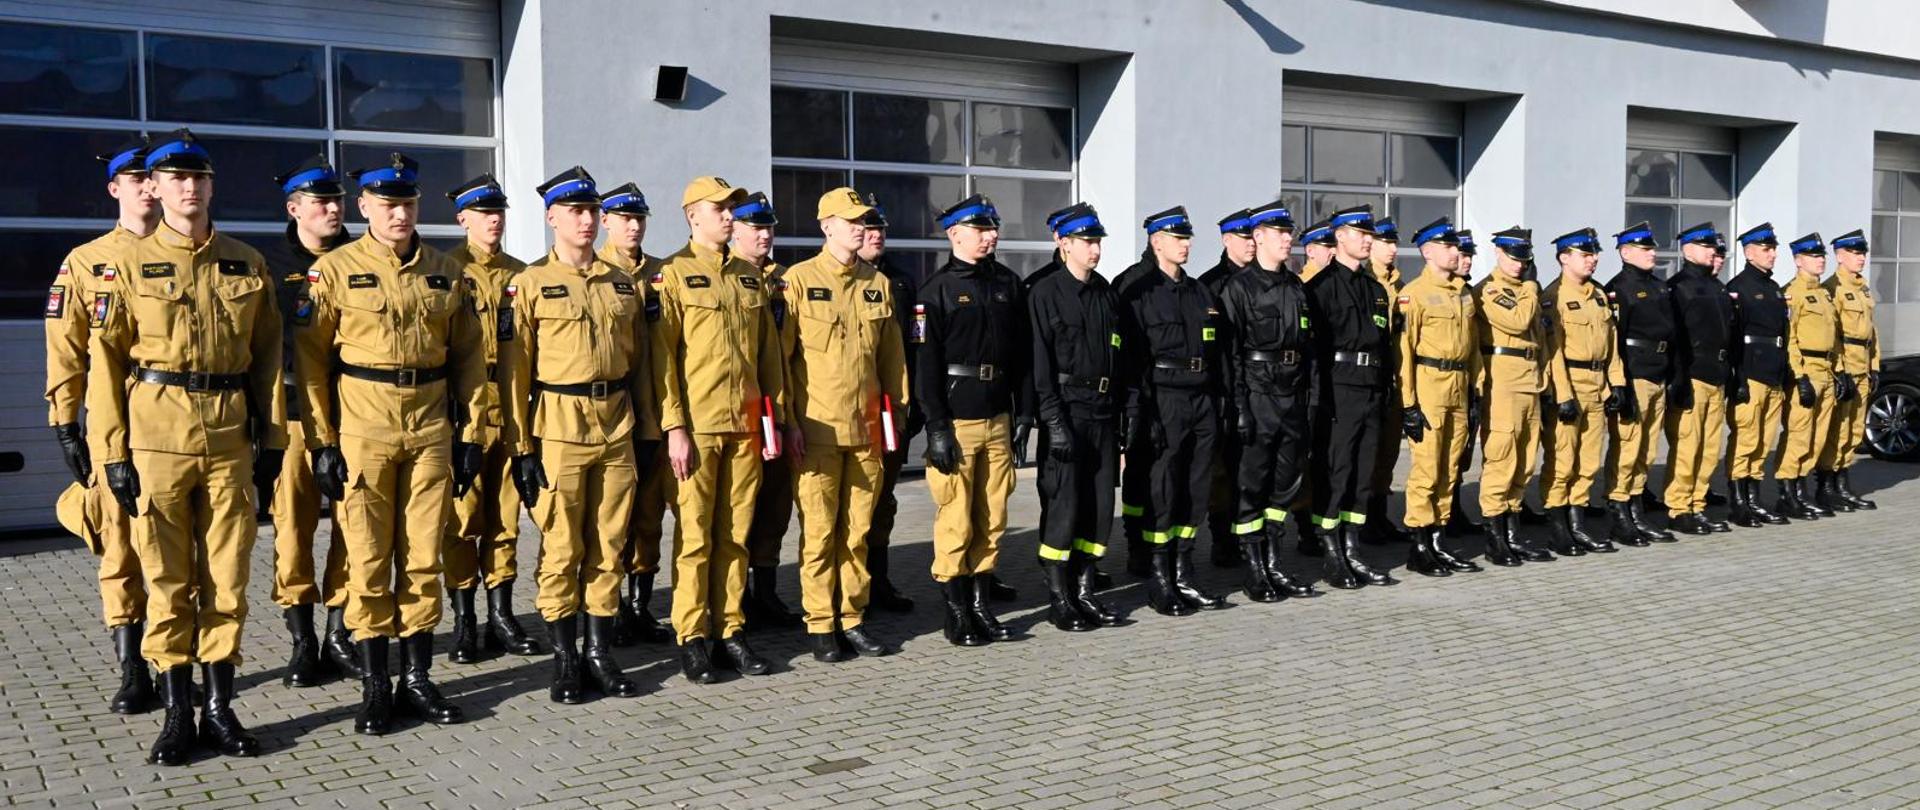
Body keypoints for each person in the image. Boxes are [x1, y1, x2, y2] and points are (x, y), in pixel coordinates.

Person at [89, 129, 284, 764]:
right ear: (155, 187)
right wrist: (112, 452)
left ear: (210, 185)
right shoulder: (125, 265)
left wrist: (274, 438)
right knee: (167, 579)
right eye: (176, 179)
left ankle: (221, 710)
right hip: (157, 438)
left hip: (228, 437)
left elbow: (267, 360)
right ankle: (177, 714)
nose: (189, 188)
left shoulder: (246, 263)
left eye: (199, 178)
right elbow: (105, 364)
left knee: (227, 577)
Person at [296, 152, 485, 734]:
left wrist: (471, 432)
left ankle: (419, 679)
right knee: (370, 557)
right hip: (364, 426)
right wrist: (323, 440)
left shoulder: (445, 272)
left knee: (424, 554)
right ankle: (377, 685)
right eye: (386, 204)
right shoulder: (334, 270)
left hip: (430, 426)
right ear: (364, 207)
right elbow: (311, 361)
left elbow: (470, 359)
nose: (398, 213)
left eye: (406, 203)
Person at [497, 166, 650, 703]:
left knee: (609, 545)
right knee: (562, 547)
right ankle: (565, 659)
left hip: (617, 422)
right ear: (552, 218)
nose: (586, 221)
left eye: (591, 212)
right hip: (558, 426)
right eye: (575, 212)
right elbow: (514, 374)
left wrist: (649, 431)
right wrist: (521, 448)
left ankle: (598, 653)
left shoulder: (621, 282)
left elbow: (643, 365)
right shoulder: (531, 285)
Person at [652, 176, 786, 682]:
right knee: (695, 538)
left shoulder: (750, 278)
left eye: (733, 209)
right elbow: (662, 360)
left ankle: (731, 629)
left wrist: (775, 418)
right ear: (693, 216)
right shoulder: (674, 276)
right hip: (699, 429)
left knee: (735, 536)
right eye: (720, 209)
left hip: (746, 428)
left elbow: (768, 358)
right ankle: (692, 636)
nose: (730, 217)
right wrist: (674, 427)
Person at [43, 134, 160, 713]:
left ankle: (179, 659)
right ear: (115, 188)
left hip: (180, 427)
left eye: (152, 176)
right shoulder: (87, 261)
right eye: (134, 178)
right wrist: (65, 422)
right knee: (119, 545)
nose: (146, 186)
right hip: (114, 425)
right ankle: (132, 665)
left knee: (176, 547)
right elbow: (65, 348)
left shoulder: (190, 253)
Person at [778, 187, 908, 659]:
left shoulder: (877, 282)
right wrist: (787, 421)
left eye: (864, 220)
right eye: (850, 220)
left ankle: (852, 616)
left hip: (867, 429)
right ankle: (820, 623)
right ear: (826, 226)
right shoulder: (797, 281)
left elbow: (892, 360)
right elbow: (782, 360)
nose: (860, 227)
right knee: (819, 532)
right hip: (817, 430)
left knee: (857, 531)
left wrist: (897, 416)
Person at [915, 194, 1031, 645]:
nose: (991, 236)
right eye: (981, 229)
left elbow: (1021, 354)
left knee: (993, 515)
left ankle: (982, 606)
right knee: (957, 518)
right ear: (955, 234)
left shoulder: (1007, 283)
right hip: (958, 421)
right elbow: (925, 366)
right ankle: (957, 612)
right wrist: (936, 427)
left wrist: (1023, 413)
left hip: (998, 414)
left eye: (993, 227)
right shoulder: (935, 291)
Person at [264, 155, 360, 684]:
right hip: (296, 421)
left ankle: (340, 631)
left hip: (358, 417)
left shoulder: (364, 257)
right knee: (293, 529)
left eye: (337, 200)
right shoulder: (269, 263)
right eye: (319, 201)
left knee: (353, 528)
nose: (331, 208)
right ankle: (302, 639)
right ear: (293, 207)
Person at [439, 172, 541, 664]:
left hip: (511, 404)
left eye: (498, 212)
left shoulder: (523, 275)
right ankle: (465, 620)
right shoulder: (444, 270)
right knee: (462, 519)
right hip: (464, 411)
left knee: (506, 518)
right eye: (482, 213)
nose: (493, 220)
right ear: (463, 220)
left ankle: (502, 613)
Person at [1118, 206, 1230, 613]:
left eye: (1187, 238)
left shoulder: (1200, 293)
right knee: (1162, 492)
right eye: (1177, 238)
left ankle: (1185, 574)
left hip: (1201, 399)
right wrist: (1136, 411)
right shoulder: (1135, 289)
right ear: (1156, 241)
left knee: (1194, 489)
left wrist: (1219, 403)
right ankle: (1159, 578)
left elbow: (1220, 355)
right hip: (1162, 400)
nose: (1185, 245)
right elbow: (1129, 360)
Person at [1027, 203, 1130, 629]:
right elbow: (1040, 366)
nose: (1095, 250)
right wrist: (1052, 422)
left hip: (1103, 413)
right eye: (1087, 242)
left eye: (1098, 242)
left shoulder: (1106, 294)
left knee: (1099, 507)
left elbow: (1120, 359)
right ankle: (1059, 597)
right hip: (1067, 413)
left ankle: (1085, 590)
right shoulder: (1045, 293)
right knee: (1064, 506)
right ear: (1064, 244)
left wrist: (1124, 419)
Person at [1216, 200, 1322, 599]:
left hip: (1292, 396)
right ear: (1258, 237)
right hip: (1258, 397)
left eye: (1289, 232)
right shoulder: (1238, 288)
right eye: (1280, 233)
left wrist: (1310, 402)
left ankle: (1275, 563)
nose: (1287, 239)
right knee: (1252, 486)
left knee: (1286, 484)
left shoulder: (1295, 287)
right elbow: (1231, 356)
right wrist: (1240, 408)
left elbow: (1307, 348)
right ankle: (1254, 569)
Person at [593, 182, 675, 645]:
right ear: (606, 221)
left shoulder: (664, 272)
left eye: (639, 218)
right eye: (624, 218)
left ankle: (641, 604)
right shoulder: (598, 271)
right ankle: (613, 606)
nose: (633, 225)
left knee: (649, 516)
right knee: (613, 518)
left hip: (656, 413)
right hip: (616, 414)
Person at [1304, 205, 1398, 588]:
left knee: (1362, 474)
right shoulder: (1319, 288)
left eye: (1369, 234)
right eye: (1360, 234)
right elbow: (1314, 350)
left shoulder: (1375, 291)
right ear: (1339, 236)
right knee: (1336, 472)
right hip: (1338, 390)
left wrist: (1388, 386)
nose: (1367, 240)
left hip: (1371, 387)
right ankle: (1330, 552)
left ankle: (1352, 548)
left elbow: (1386, 345)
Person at [730, 191, 808, 632]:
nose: (765, 235)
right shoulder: (731, 277)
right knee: (739, 506)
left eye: (769, 227)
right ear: (735, 230)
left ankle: (766, 591)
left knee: (775, 505)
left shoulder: (786, 280)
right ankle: (733, 596)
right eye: (755, 227)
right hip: (738, 405)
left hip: (779, 405)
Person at [1394, 218, 1485, 574]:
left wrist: (1477, 386)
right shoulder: (1413, 294)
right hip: (1430, 383)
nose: (1455, 252)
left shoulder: (1463, 292)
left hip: (1460, 385)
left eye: (1455, 246)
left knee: (1450, 468)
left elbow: (1473, 346)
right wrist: (1408, 404)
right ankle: (1419, 543)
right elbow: (1404, 351)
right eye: (1447, 246)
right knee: (1427, 468)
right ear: (1428, 251)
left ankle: (1438, 540)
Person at [1473, 226, 1556, 566]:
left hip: (1529, 382)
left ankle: (1512, 534)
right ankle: (1495, 538)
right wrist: (1533, 287)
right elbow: (1520, 322)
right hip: (1504, 384)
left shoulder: (1525, 291)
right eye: (1513, 258)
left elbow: (1540, 342)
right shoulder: (1491, 291)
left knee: (1524, 462)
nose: (1520, 266)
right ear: (1498, 254)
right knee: (1502, 459)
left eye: (1525, 260)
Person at [1540, 227, 1624, 555]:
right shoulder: (1554, 297)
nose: (1594, 259)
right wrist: (1563, 395)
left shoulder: (1600, 295)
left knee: (1588, 462)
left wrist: (1617, 382)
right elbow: (1553, 351)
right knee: (1563, 460)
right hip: (1571, 384)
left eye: (1594, 253)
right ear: (1564, 258)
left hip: (1597, 385)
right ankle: (1558, 528)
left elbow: (1611, 345)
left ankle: (1577, 525)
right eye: (1586, 254)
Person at [858, 194, 922, 612]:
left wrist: (909, 406)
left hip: (890, 410)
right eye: (869, 229)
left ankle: (878, 580)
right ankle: (849, 586)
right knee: (854, 501)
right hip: (849, 409)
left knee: (884, 502)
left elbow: (915, 346)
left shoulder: (900, 281)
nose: (877, 236)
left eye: (881, 229)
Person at [1603, 222, 1679, 545]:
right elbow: (1615, 342)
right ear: (1626, 252)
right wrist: (1621, 385)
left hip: (1658, 372)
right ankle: (1619, 511)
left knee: (1646, 449)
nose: (1653, 254)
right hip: (1635, 373)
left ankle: (1636, 506)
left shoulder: (1659, 287)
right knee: (1627, 447)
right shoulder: (1619, 288)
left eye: (1652, 248)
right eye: (1646, 249)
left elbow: (1671, 335)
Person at [1661, 223, 1738, 535]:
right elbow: (1675, 338)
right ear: (1687, 250)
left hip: (1716, 375)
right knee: (1687, 447)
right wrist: (1678, 379)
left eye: (1714, 248)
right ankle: (1678, 508)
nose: (1712, 252)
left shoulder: (1716, 286)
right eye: (1706, 247)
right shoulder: (1679, 287)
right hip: (1693, 376)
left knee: (1709, 448)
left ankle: (1697, 503)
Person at [1775, 232, 1848, 519]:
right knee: (1799, 434)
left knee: (1817, 436)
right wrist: (1799, 376)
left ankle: (1802, 491)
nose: (1820, 261)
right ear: (1798, 260)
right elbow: (1789, 337)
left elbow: (1835, 337)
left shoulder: (1823, 293)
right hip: (1807, 369)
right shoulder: (1793, 293)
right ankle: (1787, 494)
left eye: (1821, 256)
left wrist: (1840, 370)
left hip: (1827, 370)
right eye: (1813, 256)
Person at [1198, 209, 1256, 568]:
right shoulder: (1212, 284)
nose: (1250, 244)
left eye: (1253, 237)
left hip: (1257, 387)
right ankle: (1222, 538)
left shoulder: (1264, 280)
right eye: (1243, 237)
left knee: (1250, 469)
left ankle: (1247, 535)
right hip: (1224, 389)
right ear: (1226, 240)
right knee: (1223, 472)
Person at [1724, 223, 1792, 526]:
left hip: (1773, 371)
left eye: (1774, 248)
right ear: (1750, 252)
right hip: (1751, 371)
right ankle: (1739, 502)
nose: (1773, 254)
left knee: (1764, 440)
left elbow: (1783, 332)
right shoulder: (1740, 287)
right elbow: (1733, 336)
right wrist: (1737, 377)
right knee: (1746, 438)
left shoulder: (1773, 287)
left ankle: (1754, 498)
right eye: (1766, 249)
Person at [1820, 229, 1880, 510]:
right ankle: (1827, 486)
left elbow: (1871, 332)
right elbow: (1832, 334)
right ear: (1839, 256)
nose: (1861, 258)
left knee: (1855, 431)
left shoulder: (1862, 288)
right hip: (1845, 365)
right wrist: (1840, 369)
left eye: (1863, 253)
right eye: (1855, 253)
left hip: (1863, 366)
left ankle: (1843, 484)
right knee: (1838, 429)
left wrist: (1875, 366)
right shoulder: (1833, 288)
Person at [1363, 217, 1411, 546]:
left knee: (1389, 452)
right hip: (1373, 377)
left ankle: (1379, 516)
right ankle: (1364, 519)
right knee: (1369, 452)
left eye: (1394, 243)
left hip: (1396, 378)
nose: (1393, 249)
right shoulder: (1366, 281)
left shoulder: (1400, 285)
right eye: (1386, 243)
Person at [1447, 229, 1484, 536]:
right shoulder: (1451, 293)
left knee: (1463, 451)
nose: (1467, 261)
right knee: (1446, 455)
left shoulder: (1467, 293)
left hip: (1469, 382)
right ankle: (1446, 515)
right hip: (1444, 384)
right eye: (1462, 255)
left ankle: (1454, 509)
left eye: (1470, 255)